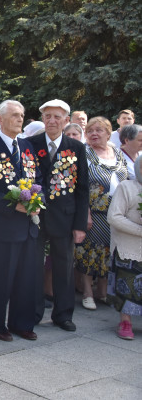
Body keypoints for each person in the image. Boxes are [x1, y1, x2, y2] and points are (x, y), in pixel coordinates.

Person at [0, 100, 43, 341]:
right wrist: (13, 204)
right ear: (0, 119)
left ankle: (21, 323)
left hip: (28, 225)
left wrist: (36, 201)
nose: (20, 119)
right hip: (4, 225)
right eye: (14, 115)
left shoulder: (26, 147)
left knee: (26, 277)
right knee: (3, 278)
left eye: (22, 115)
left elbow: (38, 178)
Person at [27, 100, 89, 332]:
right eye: (48, 116)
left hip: (65, 217)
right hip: (35, 216)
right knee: (33, 266)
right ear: (42, 119)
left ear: (66, 120)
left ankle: (63, 314)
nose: (52, 121)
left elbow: (82, 189)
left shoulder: (76, 147)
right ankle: (32, 311)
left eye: (57, 117)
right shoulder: (29, 144)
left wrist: (80, 224)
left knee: (64, 268)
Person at [76, 117, 128, 310]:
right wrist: (85, 213)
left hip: (116, 213)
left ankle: (103, 292)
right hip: (94, 212)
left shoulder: (117, 152)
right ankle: (88, 292)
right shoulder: (85, 152)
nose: (94, 134)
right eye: (90, 131)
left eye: (99, 130)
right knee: (90, 251)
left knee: (108, 252)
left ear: (108, 132)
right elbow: (81, 185)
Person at [107, 156, 142, 340]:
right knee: (126, 286)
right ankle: (125, 321)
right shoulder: (126, 187)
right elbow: (114, 217)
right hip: (128, 248)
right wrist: (139, 230)